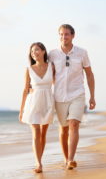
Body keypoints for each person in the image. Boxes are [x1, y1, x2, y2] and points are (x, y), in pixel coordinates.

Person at [48, 24, 96, 170]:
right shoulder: (53, 54)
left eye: (66, 34)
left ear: (73, 35)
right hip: (59, 96)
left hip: (77, 94)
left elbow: (89, 74)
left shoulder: (82, 53)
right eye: (61, 34)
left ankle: (70, 159)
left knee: (74, 124)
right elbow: (48, 75)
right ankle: (65, 158)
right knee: (63, 129)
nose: (64, 37)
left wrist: (92, 96)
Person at [19, 42, 55, 173]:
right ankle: (38, 163)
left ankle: (40, 159)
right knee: (36, 133)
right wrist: (21, 110)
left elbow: (58, 82)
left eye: (37, 50)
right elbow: (25, 90)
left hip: (47, 101)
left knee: (43, 134)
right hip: (32, 102)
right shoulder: (28, 69)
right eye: (32, 51)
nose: (34, 53)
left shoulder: (51, 66)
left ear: (44, 51)